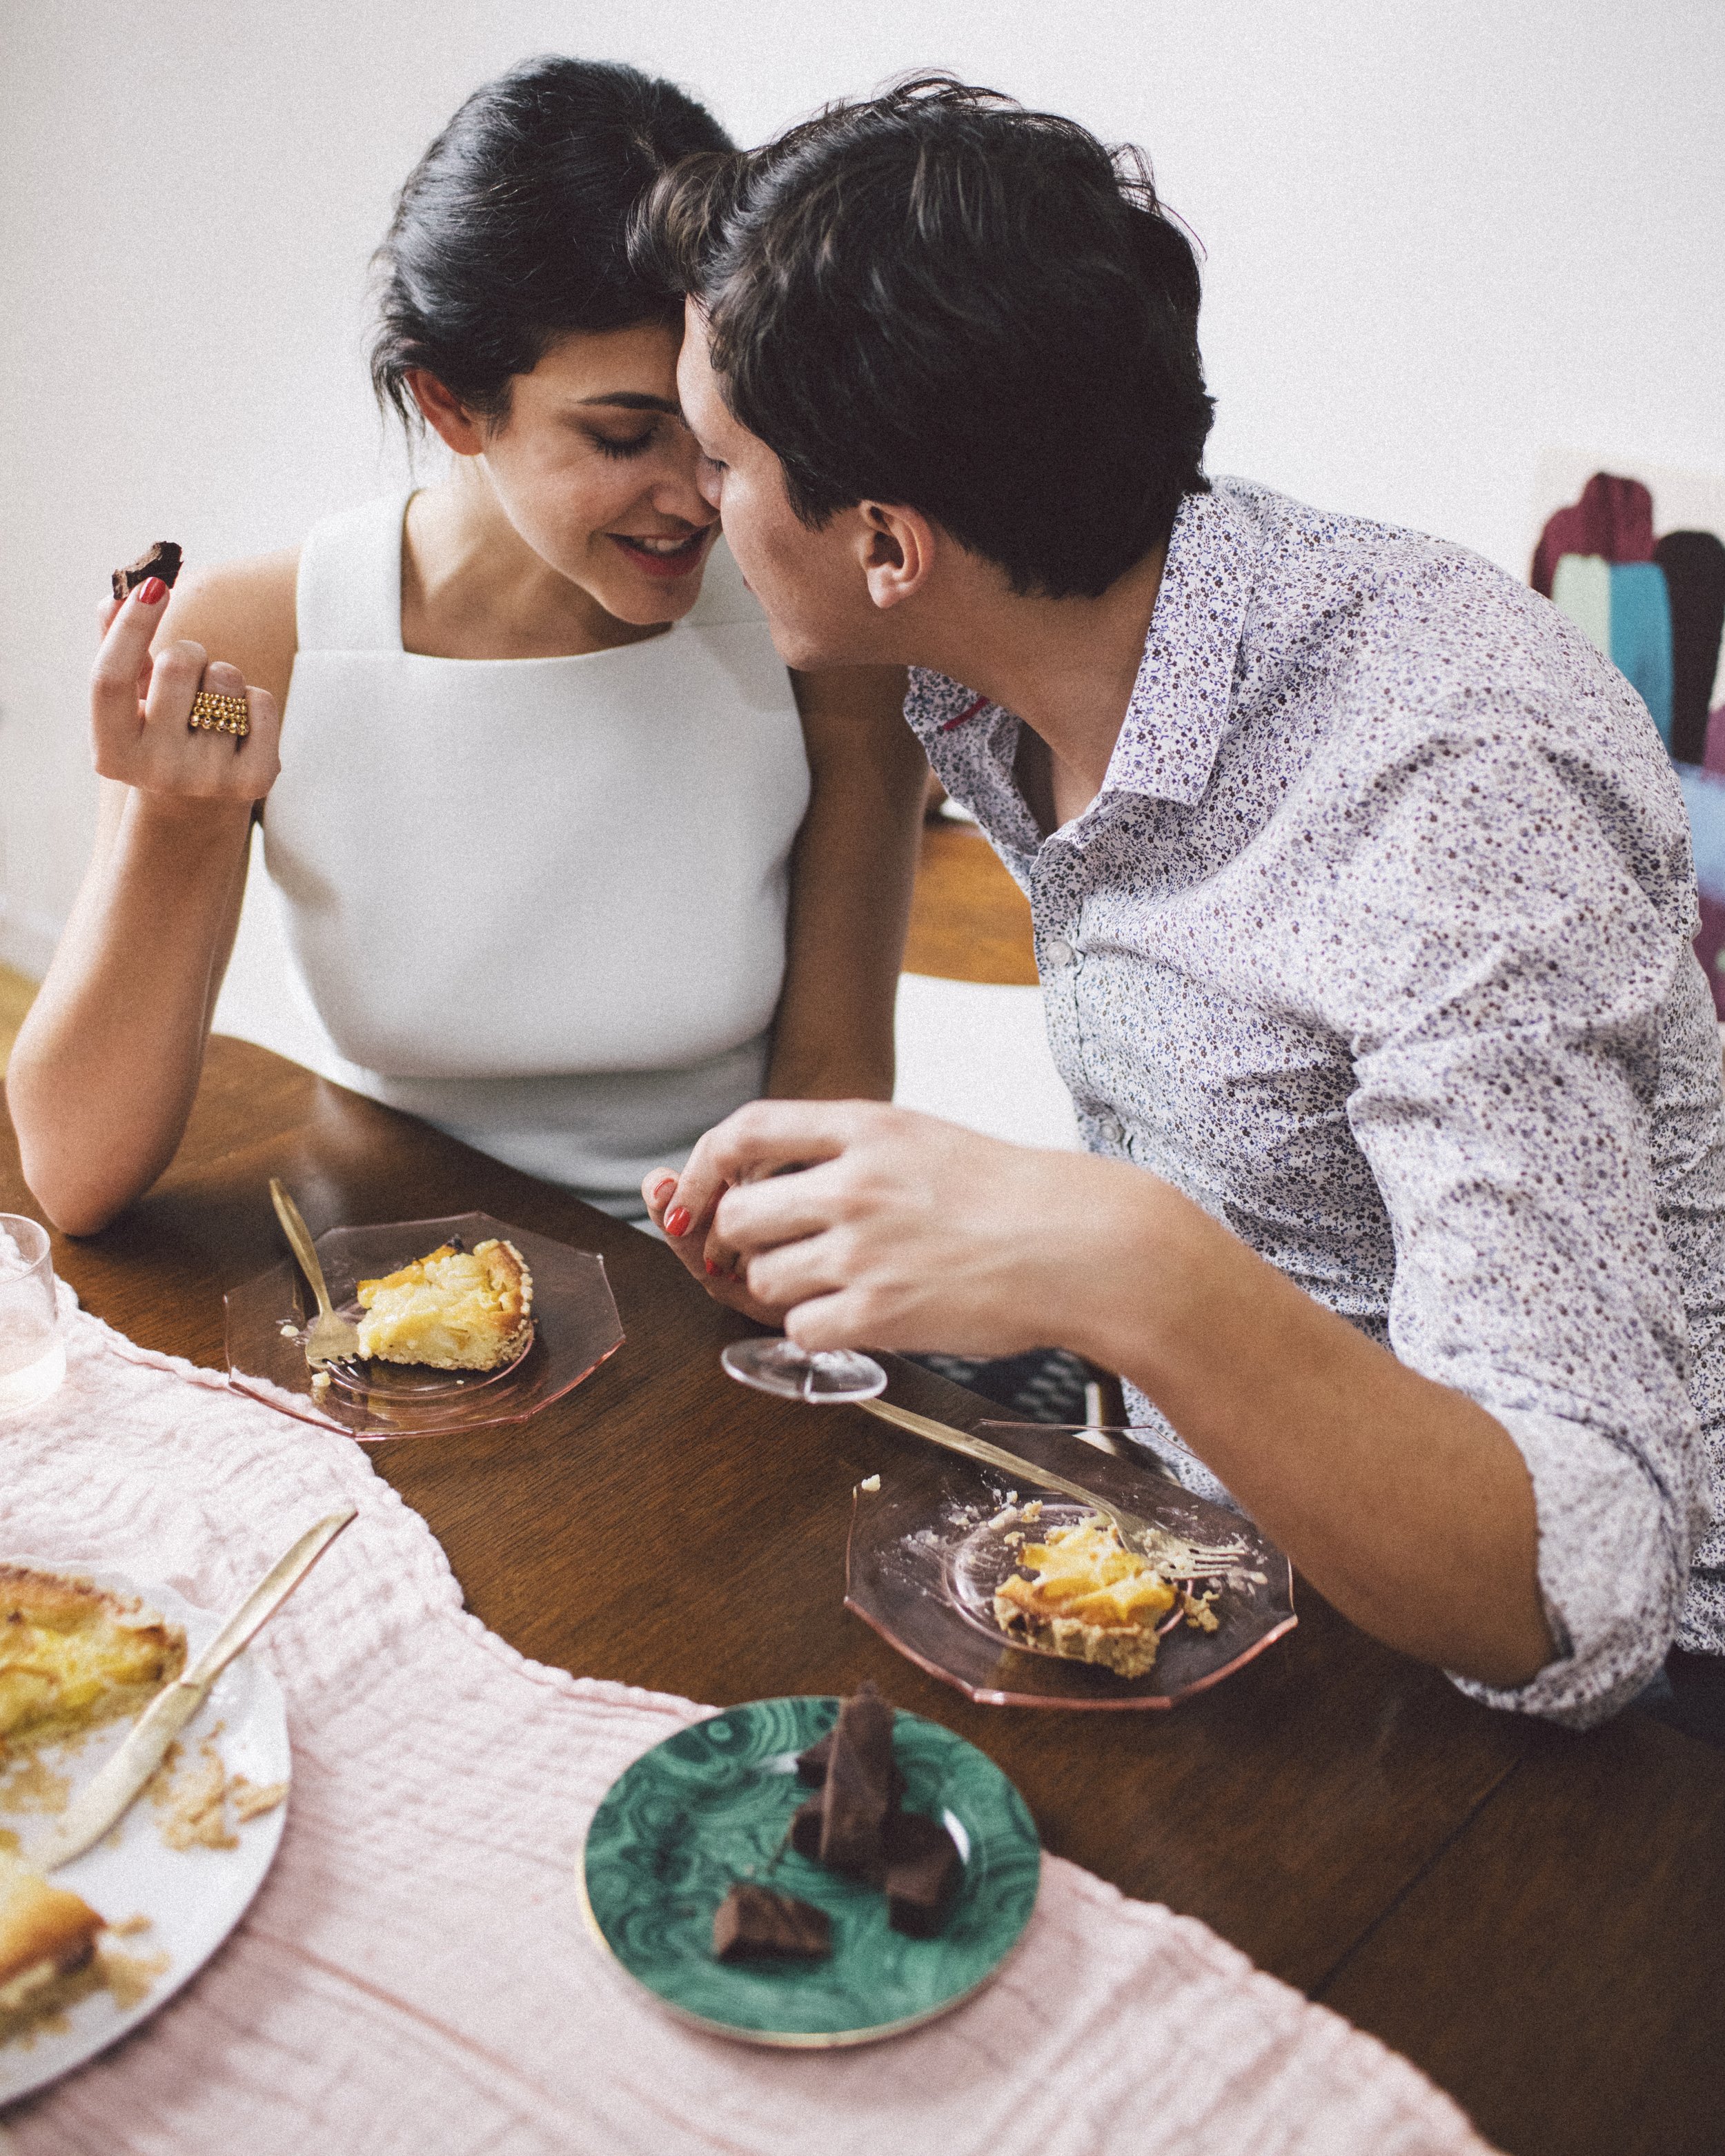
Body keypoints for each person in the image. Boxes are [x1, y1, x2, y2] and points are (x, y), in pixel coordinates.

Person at [633, 78, 1725, 1731]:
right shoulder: (1020, 650)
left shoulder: (1447, 785)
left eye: (717, 464)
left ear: (881, 545)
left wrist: (1121, 1260)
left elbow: (1576, 1594)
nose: (698, 512)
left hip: (1590, 1714)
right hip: (1206, 1530)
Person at [8, 57, 925, 1236]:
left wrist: (735, 1290)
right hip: (384, 1284)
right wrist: (175, 826)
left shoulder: (816, 622)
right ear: (448, 403)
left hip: (717, 1289)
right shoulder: (253, 646)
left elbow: (836, 1081)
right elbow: (76, 1176)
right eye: (620, 435)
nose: (695, 497)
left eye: (716, 426)